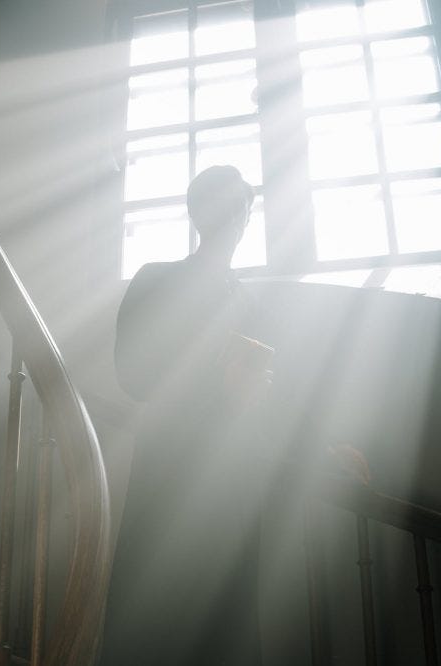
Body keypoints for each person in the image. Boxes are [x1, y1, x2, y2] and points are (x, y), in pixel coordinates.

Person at [100, 166, 270, 666]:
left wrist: (323, 447)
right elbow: (131, 374)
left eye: (241, 205)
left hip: (233, 478)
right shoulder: (157, 278)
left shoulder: (251, 301)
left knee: (227, 623)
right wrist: (216, 377)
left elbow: (268, 395)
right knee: (152, 615)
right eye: (220, 203)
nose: (233, 215)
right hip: (170, 469)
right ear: (196, 212)